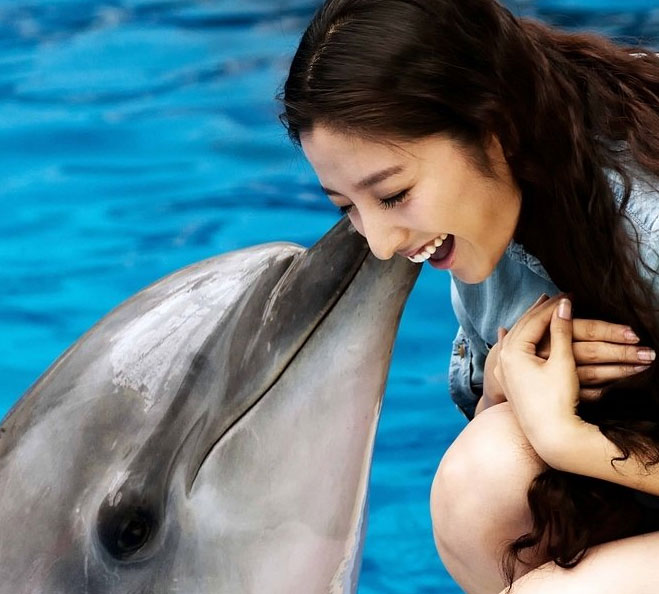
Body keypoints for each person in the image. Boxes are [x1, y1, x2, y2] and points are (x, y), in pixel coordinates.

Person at [278, 0, 659, 592]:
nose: (381, 244)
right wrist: (503, 385)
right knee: (480, 483)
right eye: (348, 206)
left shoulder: (646, 219)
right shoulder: (495, 211)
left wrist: (570, 440)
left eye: (393, 195)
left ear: (494, 131)